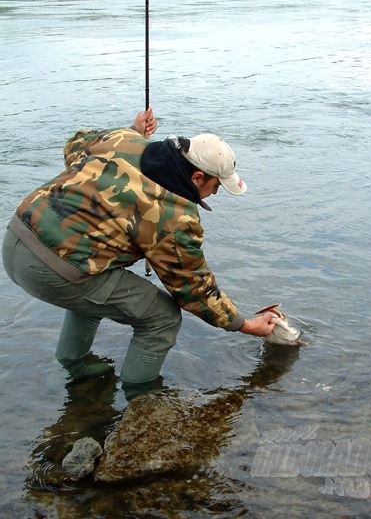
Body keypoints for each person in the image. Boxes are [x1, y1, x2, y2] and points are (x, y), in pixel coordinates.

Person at [2, 108, 276, 398]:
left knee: (96, 275)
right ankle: (141, 395)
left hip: (15, 239)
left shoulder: (122, 137)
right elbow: (194, 291)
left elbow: (74, 146)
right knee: (163, 316)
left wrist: (133, 133)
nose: (216, 193)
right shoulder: (177, 217)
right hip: (52, 273)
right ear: (197, 177)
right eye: (216, 185)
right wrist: (245, 325)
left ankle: (76, 365)